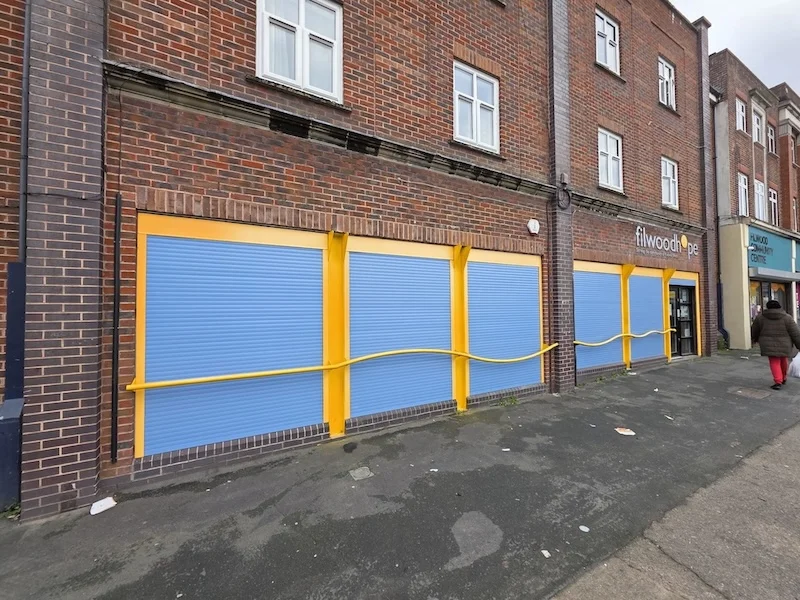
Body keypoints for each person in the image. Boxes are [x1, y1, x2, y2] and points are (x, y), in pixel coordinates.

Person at [750, 299, 800, 390]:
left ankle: (778, 381)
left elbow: (754, 330)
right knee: (783, 359)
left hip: (768, 344)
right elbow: (795, 333)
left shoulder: (760, 318)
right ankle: (783, 378)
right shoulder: (787, 318)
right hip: (785, 344)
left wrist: (754, 339)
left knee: (774, 362)